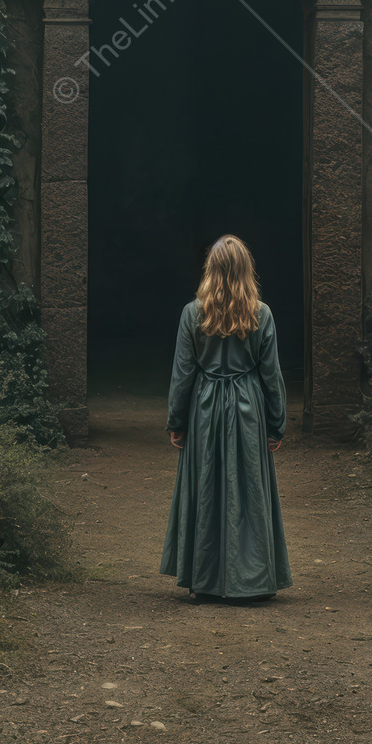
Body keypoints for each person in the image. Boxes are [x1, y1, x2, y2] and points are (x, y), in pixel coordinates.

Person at [160, 234, 293, 602]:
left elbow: (183, 372)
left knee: (206, 487)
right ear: (246, 271)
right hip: (248, 408)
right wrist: (276, 422)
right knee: (249, 490)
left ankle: (204, 581)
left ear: (211, 271)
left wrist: (178, 420)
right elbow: (271, 375)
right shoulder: (261, 314)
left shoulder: (193, 313)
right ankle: (252, 581)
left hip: (204, 408)